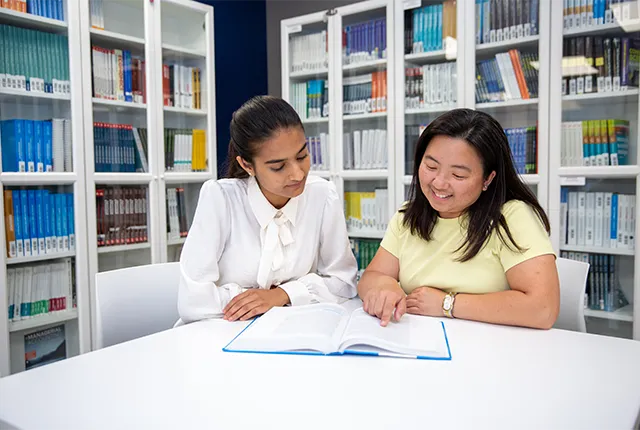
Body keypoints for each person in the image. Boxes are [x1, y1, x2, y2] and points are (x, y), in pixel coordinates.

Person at [358, 108, 559, 329]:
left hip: (491, 350)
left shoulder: (511, 217)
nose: (439, 183)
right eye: (431, 166)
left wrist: (447, 304)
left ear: (488, 179)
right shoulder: (408, 216)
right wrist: (385, 287)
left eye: (458, 175)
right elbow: (371, 276)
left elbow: (543, 309)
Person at [178, 96, 358, 323]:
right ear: (246, 165)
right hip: (217, 332)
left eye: (302, 156)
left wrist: (281, 295)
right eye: (278, 167)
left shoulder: (322, 195)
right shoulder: (220, 198)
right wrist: (254, 299)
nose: (298, 174)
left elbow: (344, 282)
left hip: (289, 331)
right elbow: (193, 302)